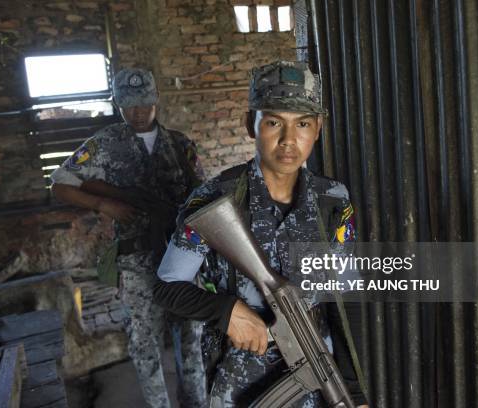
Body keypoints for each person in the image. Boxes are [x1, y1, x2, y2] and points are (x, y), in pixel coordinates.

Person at [153, 61, 369, 407]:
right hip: (241, 376)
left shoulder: (333, 200)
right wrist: (228, 311)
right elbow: (166, 286)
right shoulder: (216, 199)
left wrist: (354, 391)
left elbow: (344, 299)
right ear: (250, 125)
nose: (288, 140)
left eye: (302, 124)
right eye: (273, 122)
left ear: (318, 129)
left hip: (317, 362)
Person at [50, 68, 207, 408]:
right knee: (144, 344)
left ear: (157, 100)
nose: (138, 112)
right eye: (129, 104)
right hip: (136, 264)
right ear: (117, 103)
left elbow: (201, 199)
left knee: (191, 340)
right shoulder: (105, 144)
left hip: (182, 260)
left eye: (145, 103)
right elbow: (60, 182)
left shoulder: (180, 145)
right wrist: (104, 203)